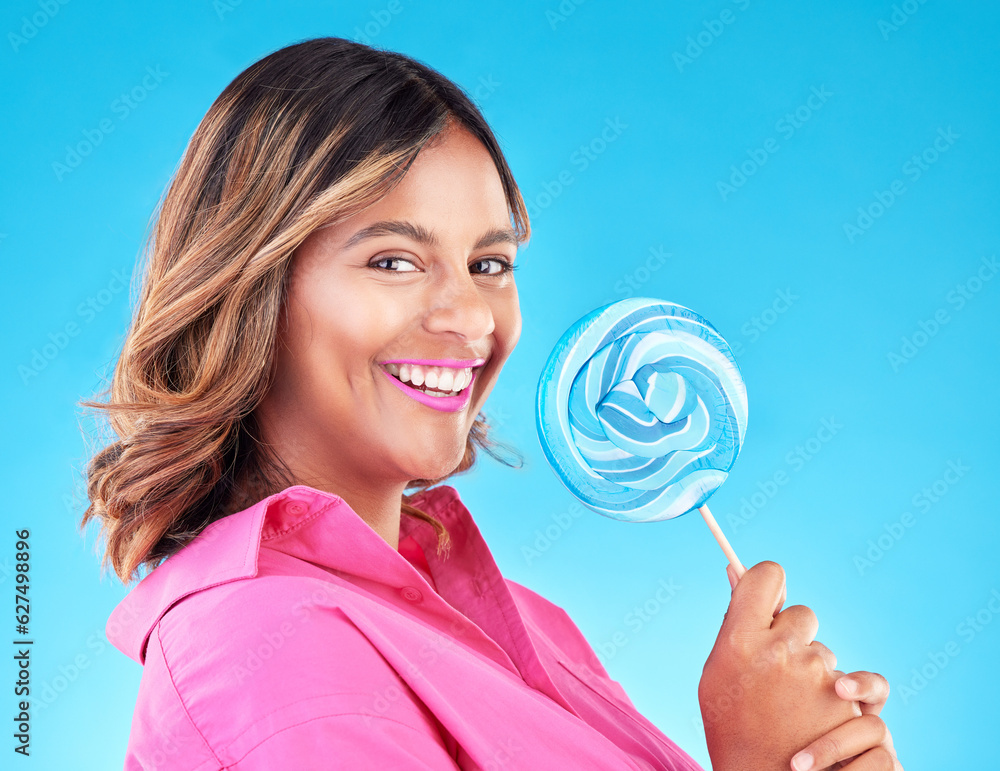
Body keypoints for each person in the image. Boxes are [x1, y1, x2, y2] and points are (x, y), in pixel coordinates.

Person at [81, 37, 902, 770]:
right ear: (249, 291)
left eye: (490, 264)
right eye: (395, 262)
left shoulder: (530, 625)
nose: (471, 318)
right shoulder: (261, 650)